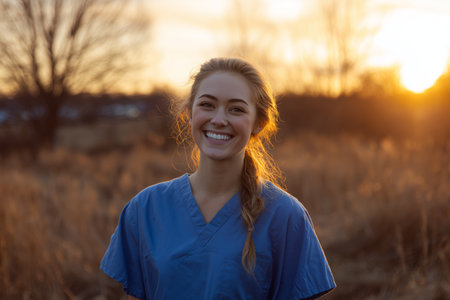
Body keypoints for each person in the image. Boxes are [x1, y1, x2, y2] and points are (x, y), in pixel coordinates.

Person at [100, 57, 336, 299]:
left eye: (236, 109)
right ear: (189, 114)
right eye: (207, 105)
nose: (219, 119)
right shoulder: (145, 209)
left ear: (258, 123)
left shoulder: (286, 216)